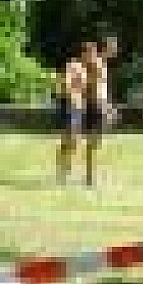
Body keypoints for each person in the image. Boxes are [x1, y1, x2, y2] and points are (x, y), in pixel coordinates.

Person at [82, 37, 119, 186]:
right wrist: (102, 105)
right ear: (106, 48)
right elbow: (93, 86)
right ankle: (90, 177)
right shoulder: (96, 62)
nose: (115, 51)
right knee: (93, 140)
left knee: (96, 140)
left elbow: (102, 88)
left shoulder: (102, 64)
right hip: (95, 104)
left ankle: (91, 175)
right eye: (112, 48)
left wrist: (108, 105)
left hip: (100, 103)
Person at [55, 42, 89, 184]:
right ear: (82, 53)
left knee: (75, 139)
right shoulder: (72, 65)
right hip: (70, 104)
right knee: (68, 137)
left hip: (78, 105)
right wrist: (72, 95)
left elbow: (83, 88)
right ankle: (62, 171)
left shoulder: (83, 67)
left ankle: (67, 168)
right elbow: (66, 84)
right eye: (88, 53)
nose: (90, 56)